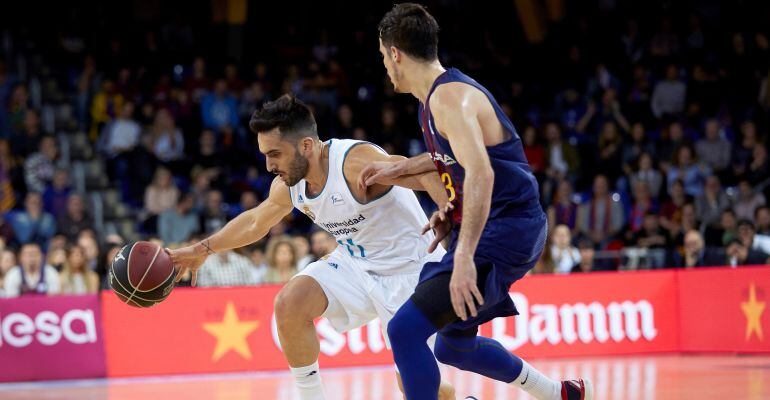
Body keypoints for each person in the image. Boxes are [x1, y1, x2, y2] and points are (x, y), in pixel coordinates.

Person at [363, 4, 591, 399]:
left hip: (504, 231)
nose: (384, 66)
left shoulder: (449, 100)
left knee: (403, 330)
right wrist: (404, 177)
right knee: (453, 347)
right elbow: (453, 161)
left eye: (383, 57)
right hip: (507, 228)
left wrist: (465, 255)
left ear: (395, 53)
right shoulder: (433, 101)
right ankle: (560, 394)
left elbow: (482, 173)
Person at [166, 95, 455, 400]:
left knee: (425, 392)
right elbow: (255, 223)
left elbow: (429, 171)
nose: (268, 166)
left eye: (275, 153)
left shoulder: (355, 163)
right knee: (290, 303)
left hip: (412, 272)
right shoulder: (290, 184)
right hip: (356, 265)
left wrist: (450, 215)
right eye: (265, 154)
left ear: (305, 146)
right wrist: (201, 250)